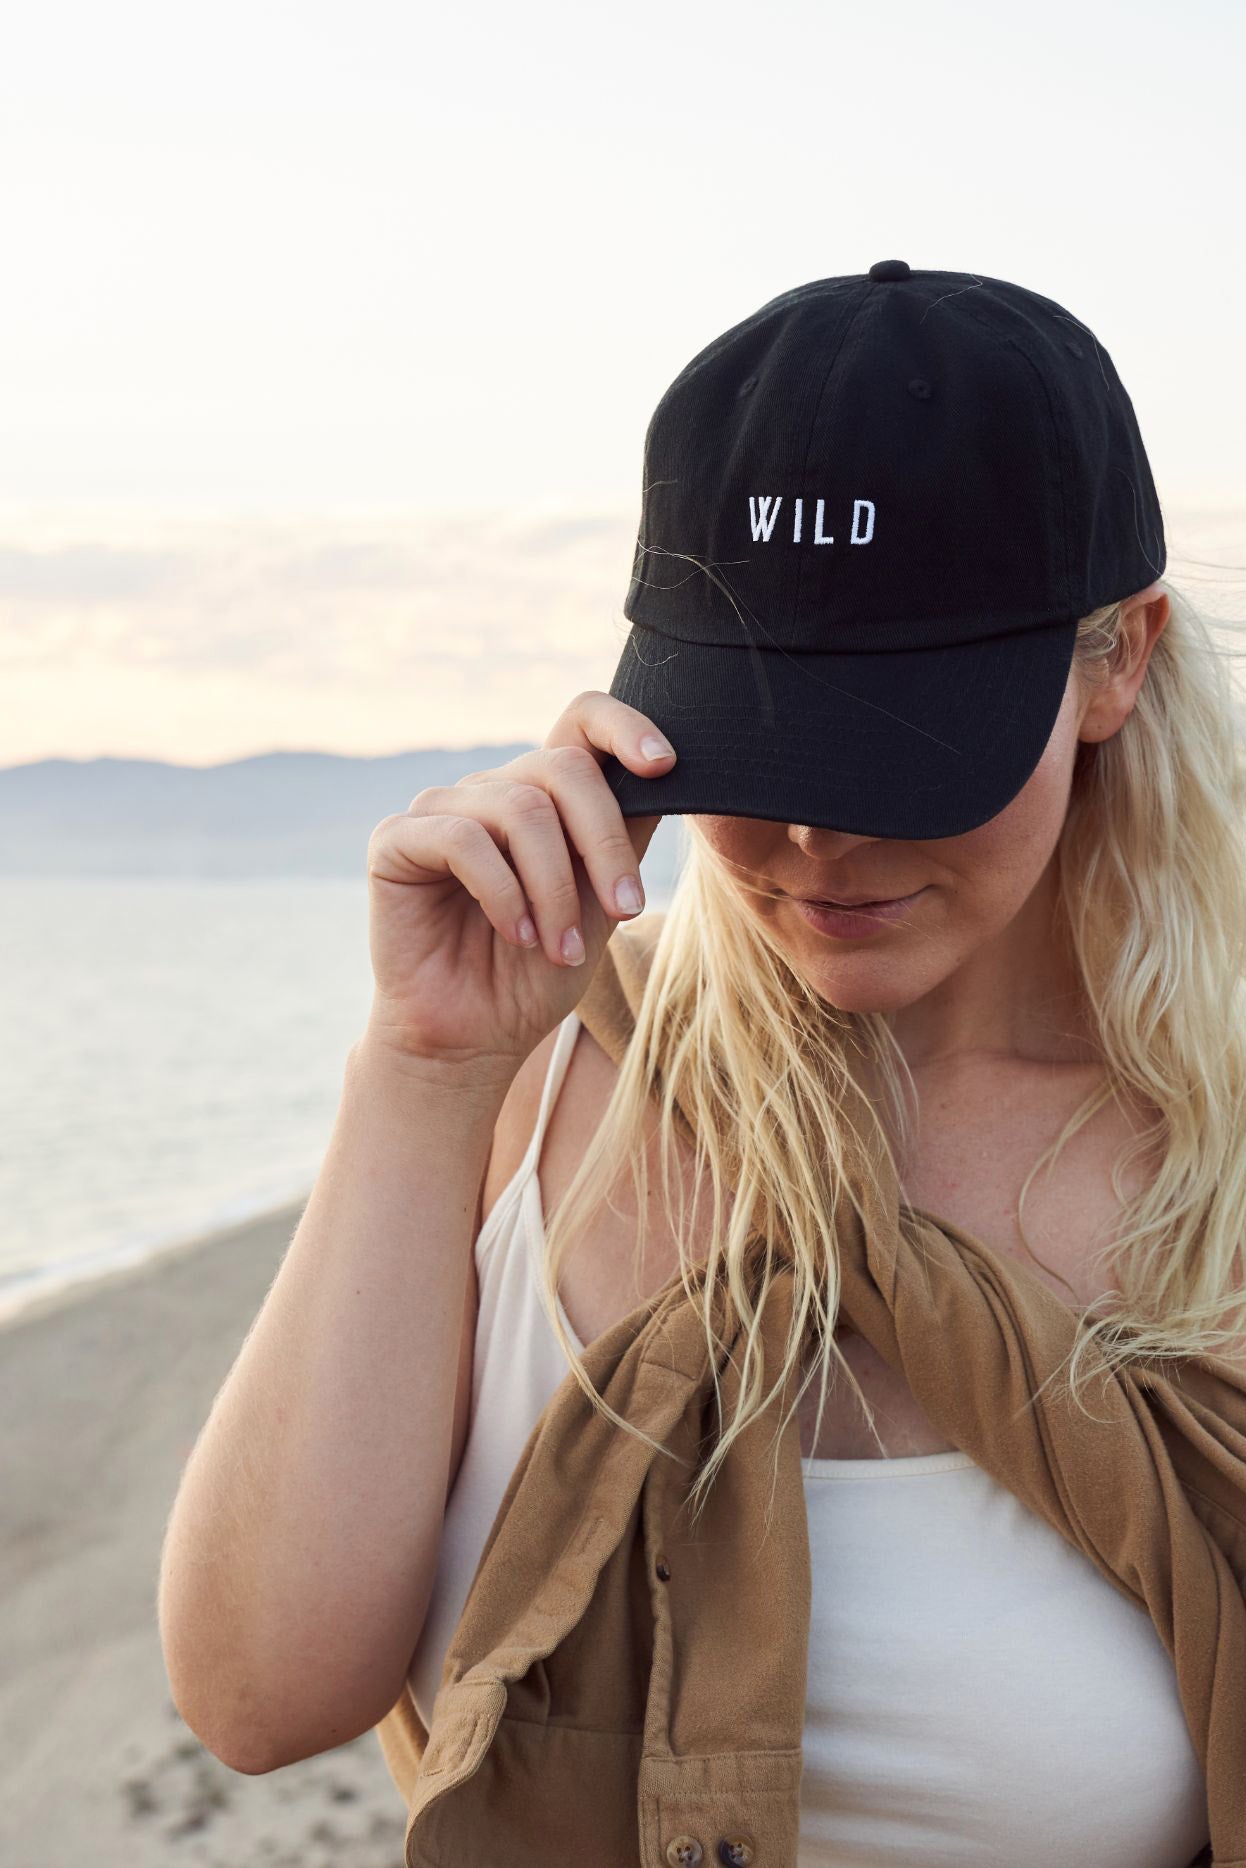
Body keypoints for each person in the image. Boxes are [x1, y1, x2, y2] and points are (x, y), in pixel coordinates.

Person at [158, 265, 1242, 1865]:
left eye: (897, 754)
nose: (814, 840)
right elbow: (257, 1697)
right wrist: (421, 1068)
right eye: (761, 748)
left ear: (1114, 663)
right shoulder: (531, 1084)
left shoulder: (1212, 1160)